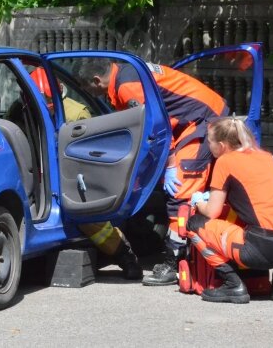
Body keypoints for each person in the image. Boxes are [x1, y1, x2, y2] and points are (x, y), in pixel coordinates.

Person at [77, 58, 229, 285]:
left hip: (204, 120)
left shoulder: (128, 86)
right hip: (193, 118)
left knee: (180, 189)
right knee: (176, 188)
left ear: (97, 80)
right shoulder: (124, 73)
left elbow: (156, 126)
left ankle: (174, 263)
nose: (92, 94)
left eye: (89, 89)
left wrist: (169, 166)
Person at [30, 67, 142, 280]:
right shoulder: (22, 109)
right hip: (38, 176)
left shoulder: (76, 113)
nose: (47, 107)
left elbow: (88, 151)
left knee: (88, 218)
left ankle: (125, 256)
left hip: (69, 173)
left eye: (49, 102)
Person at [187, 117, 273, 303]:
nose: (208, 147)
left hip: (261, 249)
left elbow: (212, 212)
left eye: (209, 142)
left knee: (194, 223)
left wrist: (197, 202)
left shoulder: (225, 161)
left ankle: (233, 284)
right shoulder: (267, 157)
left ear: (220, 145)